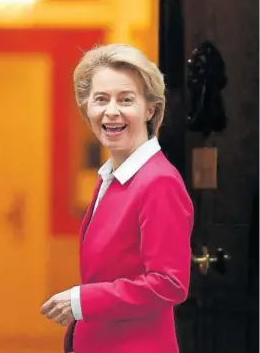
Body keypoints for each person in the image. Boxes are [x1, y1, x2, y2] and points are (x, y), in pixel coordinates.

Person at [40, 44, 194, 353]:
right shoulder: (112, 176)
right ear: (86, 108)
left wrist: (81, 301)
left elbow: (169, 284)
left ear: (150, 108)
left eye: (126, 99)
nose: (112, 111)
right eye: (101, 99)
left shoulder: (158, 181)